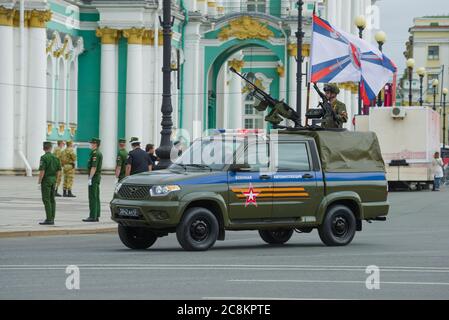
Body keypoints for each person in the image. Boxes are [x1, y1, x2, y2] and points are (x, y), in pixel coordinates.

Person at [38, 141, 61, 225]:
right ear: (51, 148)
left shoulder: (43, 158)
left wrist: (39, 181)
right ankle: (52, 218)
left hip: (46, 181)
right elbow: (59, 171)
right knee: (52, 199)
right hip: (53, 180)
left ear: (44, 148)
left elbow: (42, 171)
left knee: (46, 199)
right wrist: (57, 181)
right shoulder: (56, 158)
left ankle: (49, 219)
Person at [83, 138, 103, 222]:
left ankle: (92, 216)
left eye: (92, 143)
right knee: (96, 196)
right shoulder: (97, 153)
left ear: (95, 144)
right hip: (96, 177)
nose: (90, 144)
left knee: (92, 197)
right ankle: (96, 214)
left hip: (94, 177)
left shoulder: (95, 154)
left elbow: (93, 167)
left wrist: (90, 178)